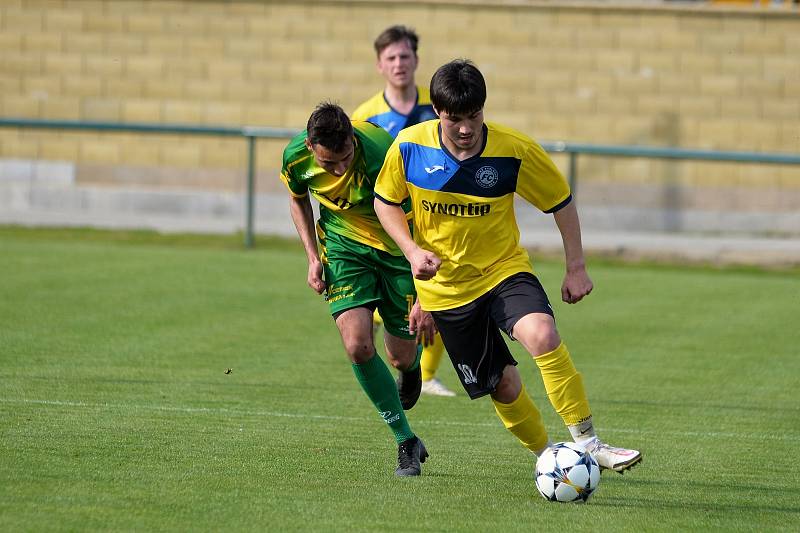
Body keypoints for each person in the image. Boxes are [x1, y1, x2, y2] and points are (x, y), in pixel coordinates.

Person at [373, 59, 642, 473]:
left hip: (502, 271)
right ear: (437, 113)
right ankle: (550, 459)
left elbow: (560, 201)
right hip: (446, 290)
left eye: (474, 116)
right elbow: (385, 202)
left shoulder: (514, 150)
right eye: (454, 119)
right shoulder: (409, 147)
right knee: (502, 384)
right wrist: (411, 251)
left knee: (542, 333)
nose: (466, 128)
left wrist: (576, 267)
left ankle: (589, 443)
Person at [280, 102, 435, 476]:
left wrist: (428, 295)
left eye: (345, 158)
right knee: (357, 345)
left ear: (353, 139)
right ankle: (405, 440)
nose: (338, 170)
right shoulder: (296, 156)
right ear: (312, 147)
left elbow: (425, 216)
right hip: (345, 249)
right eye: (328, 164)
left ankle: (410, 367)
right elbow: (298, 198)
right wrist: (312, 257)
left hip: (399, 251)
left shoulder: (383, 151)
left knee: (400, 355)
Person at [353, 24, 455, 398]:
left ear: (416, 60)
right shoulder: (365, 116)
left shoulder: (438, 104)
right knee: (403, 291)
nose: (399, 63)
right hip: (390, 219)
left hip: (438, 214)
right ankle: (386, 324)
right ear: (380, 65)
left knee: (445, 290)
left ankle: (426, 376)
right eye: (391, 57)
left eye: (405, 56)